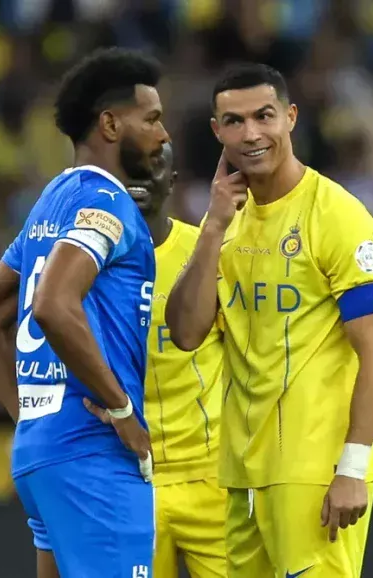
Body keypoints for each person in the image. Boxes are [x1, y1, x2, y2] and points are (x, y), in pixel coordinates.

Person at [166, 63, 373, 578]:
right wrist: (212, 228)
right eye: (234, 121)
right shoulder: (224, 218)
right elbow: (186, 333)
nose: (251, 134)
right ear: (216, 130)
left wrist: (352, 468)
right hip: (242, 470)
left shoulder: (338, 217)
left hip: (315, 468)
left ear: (290, 117)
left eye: (264, 116)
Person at [0, 47, 169, 578]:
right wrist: (123, 412)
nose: (163, 135)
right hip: (94, 456)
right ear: (109, 124)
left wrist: (30, 417)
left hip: (45, 452)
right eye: (150, 119)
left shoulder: (51, 202)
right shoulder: (108, 204)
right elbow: (54, 304)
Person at [84, 143, 226, 578]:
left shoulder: (207, 251)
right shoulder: (82, 262)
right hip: (127, 477)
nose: (142, 176)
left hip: (212, 475)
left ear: (173, 179)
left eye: (154, 166)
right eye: (129, 167)